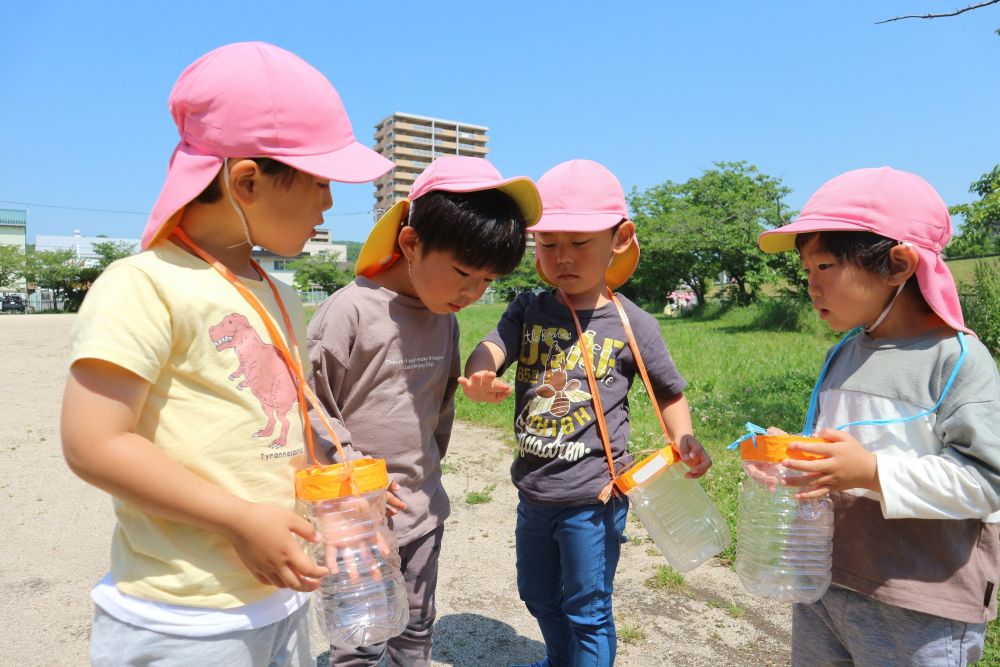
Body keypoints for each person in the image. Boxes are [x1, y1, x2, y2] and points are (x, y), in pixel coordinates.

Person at [60, 41, 393, 666]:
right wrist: (240, 519)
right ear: (245, 181)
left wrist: (340, 473)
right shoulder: (144, 283)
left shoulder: (278, 293)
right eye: (320, 182)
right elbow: (94, 442)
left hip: (282, 594)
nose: (328, 203)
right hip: (184, 617)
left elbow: (277, 422)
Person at [461, 159, 712, 667]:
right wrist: (481, 372)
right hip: (534, 490)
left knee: (588, 609)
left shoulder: (631, 322)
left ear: (619, 238)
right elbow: (490, 347)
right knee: (537, 594)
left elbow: (668, 391)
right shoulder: (527, 309)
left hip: (594, 498)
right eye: (549, 244)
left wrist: (683, 438)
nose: (563, 258)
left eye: (579, 243)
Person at [756, 167, 1000, 666]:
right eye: (806, 272)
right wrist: (794, 457)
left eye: (823, 267)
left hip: (920, 604)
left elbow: (987, 480)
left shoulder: (955, 361)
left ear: (897, 264)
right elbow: (838, 452)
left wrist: (872, 473)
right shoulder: (845, 353)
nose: (810, 286)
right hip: (827, 581)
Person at [306, 155, 541, 666]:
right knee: (360, 640)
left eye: (485, 281)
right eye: (462, 273)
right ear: (411, 244)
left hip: (422, 512)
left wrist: (429, 481)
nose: (471, 293)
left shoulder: (445, 319)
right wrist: (353, 472)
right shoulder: (349, 311)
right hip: (357, 520)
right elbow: (313, 405)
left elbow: (440, 411)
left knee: (416, 627)